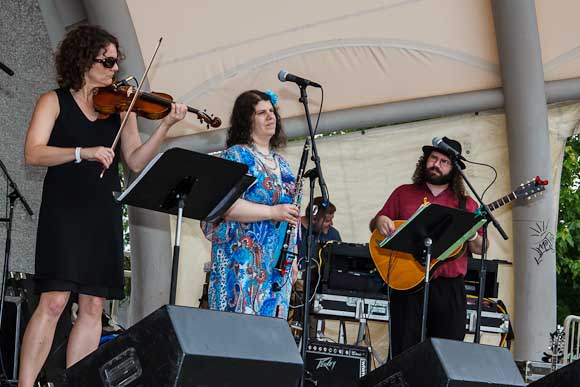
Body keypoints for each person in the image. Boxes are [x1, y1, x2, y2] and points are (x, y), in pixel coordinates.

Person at [20, 25, 186, 387]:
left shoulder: (119, 109)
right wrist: (82, 152)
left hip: (103, 210)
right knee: (54, 301)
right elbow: (33, 152)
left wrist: (165, 126)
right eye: (107, 61)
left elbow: (137, 161)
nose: (114, 69)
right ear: (84, 61)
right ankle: (26, 384)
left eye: (116, 61)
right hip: (64, 210)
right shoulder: (54, 101)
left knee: (94, 306)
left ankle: (76, 383)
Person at [369, 137, 486, 357]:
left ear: (455, 170)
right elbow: (376, 223)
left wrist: (472, 236)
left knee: (446, 355)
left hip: (448, 289)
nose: (437, 164)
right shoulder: (403, 193)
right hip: (407, 286)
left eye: (444, 161)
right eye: (433, 158)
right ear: (425, 161)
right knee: (404, 352)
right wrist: (380, 220)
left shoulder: (467, 204)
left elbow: (480, 248)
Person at [201, 89, 300, 319]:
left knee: (269, 335)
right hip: (242, 262)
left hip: (277, 264)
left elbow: (292, 216)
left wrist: (293, 258)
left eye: (272, 111)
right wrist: (272, 211)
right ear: (247, 119)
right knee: (239, 332)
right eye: (261, 112)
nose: (270, 116)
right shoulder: (236, 156)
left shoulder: (282, 164)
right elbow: (225, 207)